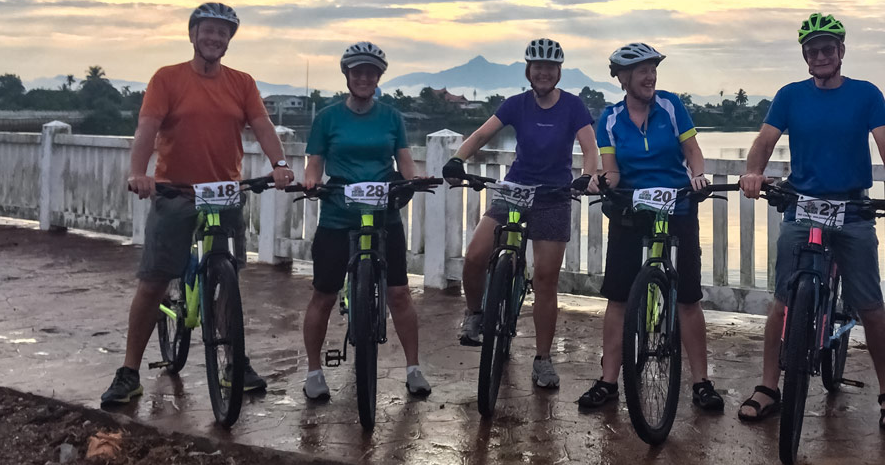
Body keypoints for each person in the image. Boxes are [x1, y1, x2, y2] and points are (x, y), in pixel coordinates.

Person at [101, 3, 295, 405]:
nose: (214, 38)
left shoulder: (241, 83)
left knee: (228, 278)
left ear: (229, 41)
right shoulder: (168, 78)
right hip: (176, 191)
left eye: (223, 33)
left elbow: (262, 126)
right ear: (192, 34)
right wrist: (140, 172)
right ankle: (129, 371)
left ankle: (233, 363)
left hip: (225, 193)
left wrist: (279, 164)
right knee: (154, 279)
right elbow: (147, 128)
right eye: (207, 30)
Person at [737, 12, 885, 431]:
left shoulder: (866, 94)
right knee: (782, 299)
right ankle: (768, 386)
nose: (820, 55)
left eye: (827, 48)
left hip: (852, 208)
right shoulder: (790, 95)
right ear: (805, 55)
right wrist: (753, 173)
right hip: (803, 203)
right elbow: (765, 140)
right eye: (812, 50)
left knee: (869, 303)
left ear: (841, 52)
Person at [576, 42, 724, 413]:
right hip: (632, 205)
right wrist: (601, 181)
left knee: (688, 297)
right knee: (619, 297)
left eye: (653, 69)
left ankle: (701, 382)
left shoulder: (672, 105)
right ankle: (609, 380)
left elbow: (692, 151)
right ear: (623, 79)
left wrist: (699, 176)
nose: (650, 76)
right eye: (641, 71)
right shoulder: (609, 119)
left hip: (677, 202)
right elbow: (612, 169)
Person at [444, 38, 598, 389]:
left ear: (558, 72)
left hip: (555, 195)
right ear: (529, 71)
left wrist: (587, 175)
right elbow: (482, 134)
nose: (543, 73)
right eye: (537, 67)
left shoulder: (573, 107)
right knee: (475, 256)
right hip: (515, 189)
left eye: (550, 67)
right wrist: (457, 159)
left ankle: (542, 359)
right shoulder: (516, 104)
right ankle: (476, 315)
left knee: (545, 279)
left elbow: (590, 148)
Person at [301, 42, 431, 400]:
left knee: (399, 293)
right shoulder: (327, 117)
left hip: (382, 211)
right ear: (347, 76)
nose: (363, 78)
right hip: (338, 211)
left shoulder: (391, 117)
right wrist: (312, 180)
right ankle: (313, 371)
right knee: (323, 295)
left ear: (378, 78)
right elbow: (315, 160)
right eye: (357, 71)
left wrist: (413, 178)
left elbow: (403, 159)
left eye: (370, 73)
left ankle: (413, 367)